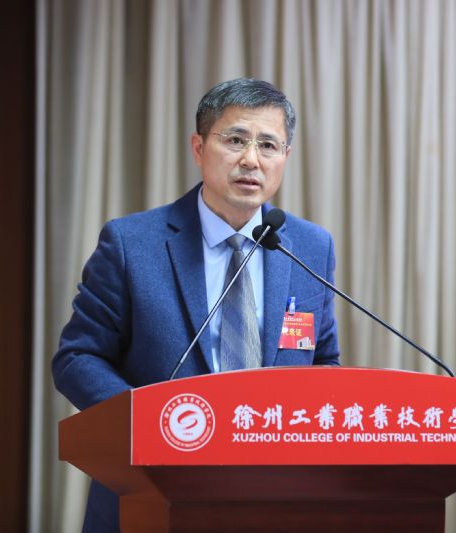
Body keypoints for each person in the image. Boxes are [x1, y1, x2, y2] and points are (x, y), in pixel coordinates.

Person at [53, 78, 340, 532]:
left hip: (275, 499)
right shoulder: (132, 243)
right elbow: (77, 357)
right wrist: (148, 424)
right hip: (153, 494)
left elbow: (323, 361)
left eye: (268, 145)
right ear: (199, 147)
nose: (251, 159)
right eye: (236, 140)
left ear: (286, 156)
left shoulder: (309, 246)